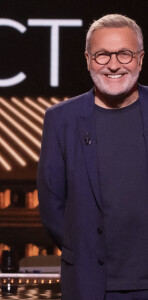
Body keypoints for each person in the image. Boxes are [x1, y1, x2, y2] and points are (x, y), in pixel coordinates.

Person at [37, 14, 148, 300]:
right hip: (90, 284)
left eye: (125, 54)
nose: (113, 64)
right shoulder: (61, 119)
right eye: (102, 55)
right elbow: (52, 205)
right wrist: (84, 251)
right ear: (88, 60)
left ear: (140, 58)